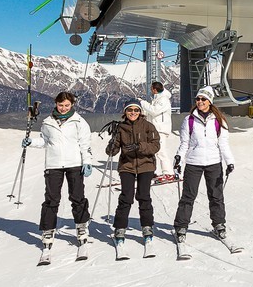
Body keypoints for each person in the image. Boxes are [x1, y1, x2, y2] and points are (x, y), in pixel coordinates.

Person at [26, 91, 93, 246]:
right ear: (56, 103)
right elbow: (45, 142)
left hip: (74, 163)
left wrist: (87, 161)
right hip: (53, 164)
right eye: (61, 105)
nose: (63, 108)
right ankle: (48, 229)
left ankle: (82, 225)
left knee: (77, 197)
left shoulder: (79, 122)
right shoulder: (47, 122)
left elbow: (85, 143)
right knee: (51, 198)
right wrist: (31, 142)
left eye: (67, 105)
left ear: (72, 105)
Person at [174, 86, 236, 241]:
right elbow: (184, 143)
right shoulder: (189, 120)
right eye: (198, 99)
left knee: (216, 196)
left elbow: (223, 144)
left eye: (203, 99)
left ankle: (219, 224)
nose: (200, 101)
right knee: (188, 196)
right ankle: (181, 227)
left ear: (210, 101)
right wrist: (179, 159)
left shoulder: (219, 120)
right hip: (194, 162)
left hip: (214, 163)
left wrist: (229, 162)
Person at [106, 101, 161, 243]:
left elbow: (155, 146)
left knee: (143, 196)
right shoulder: (121, 128)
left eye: (136, 110)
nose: (133, 112)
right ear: (125, 112)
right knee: (126, 196)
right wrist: (112, 145)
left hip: (146, 165)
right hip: (127, 165)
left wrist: (139, 146)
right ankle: (120, 227)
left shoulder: (148, 126)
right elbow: (113, 150)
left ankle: (147, 226)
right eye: (130, 110)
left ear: (140, 112)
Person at [139, 82, 177, 183]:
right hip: (155, 129)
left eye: (151, 88)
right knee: (153, 151)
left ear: (154, 89)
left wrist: (143, 103)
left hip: (160, 129)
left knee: (161, 151)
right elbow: (152, 113)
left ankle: (168, 173)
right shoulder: (157, 99)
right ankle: (154, 171)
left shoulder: (163, 99)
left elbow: (154, 111)